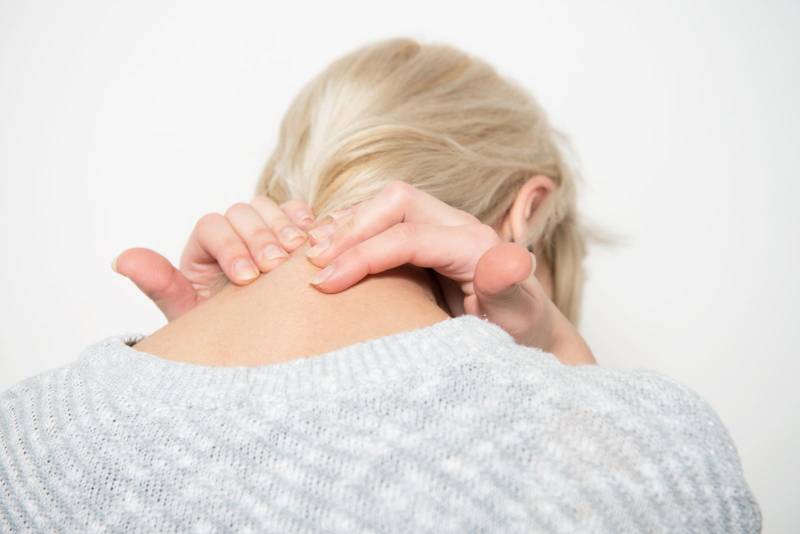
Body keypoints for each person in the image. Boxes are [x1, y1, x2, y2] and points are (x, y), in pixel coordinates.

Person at [0, 38, 760, 532]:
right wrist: (569, 365)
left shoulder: (27, 434)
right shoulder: (645, 443)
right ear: (526, 213)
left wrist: (211, 371)